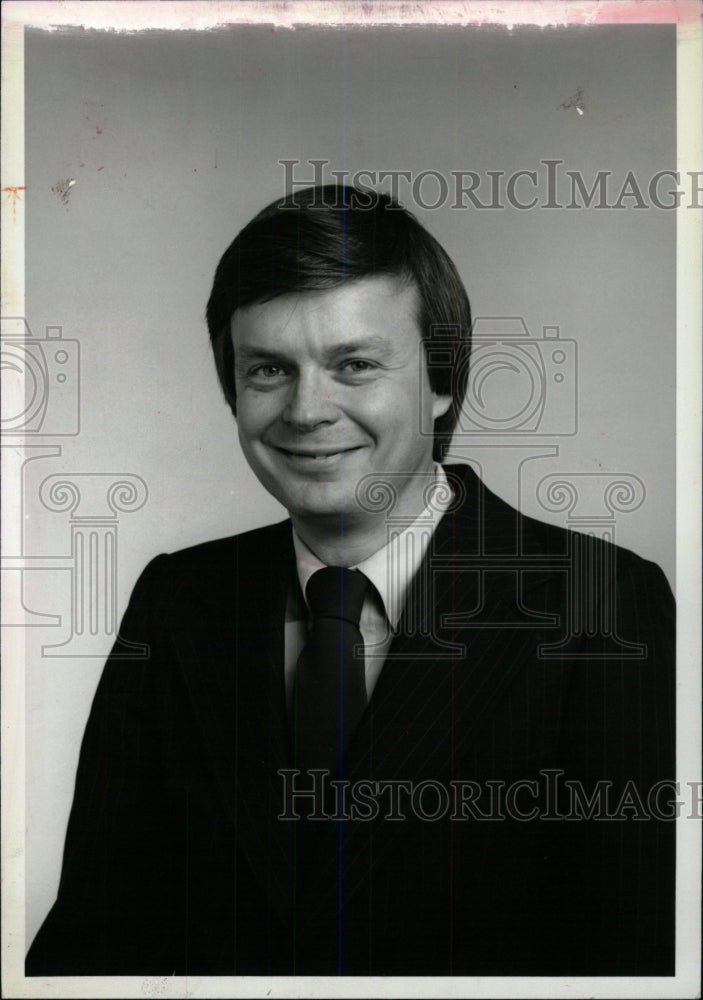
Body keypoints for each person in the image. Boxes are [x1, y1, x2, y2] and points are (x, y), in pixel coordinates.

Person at [26, 185, 675, 977]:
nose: (306, 410)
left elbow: (633, 955)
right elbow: (93, 935)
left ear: (440, 381)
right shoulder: (178, 601)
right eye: (268, 369)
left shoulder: (600, 602)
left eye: (354, 364)